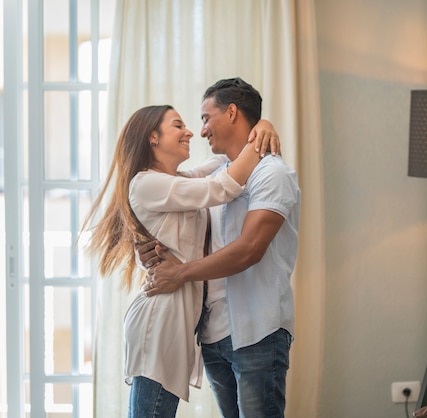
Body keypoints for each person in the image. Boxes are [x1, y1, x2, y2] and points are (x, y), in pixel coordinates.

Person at [81, 104, 280, 418]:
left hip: (174, 319)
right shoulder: (147, 183)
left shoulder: (173, 181)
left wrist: (262, 125)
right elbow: (220, 186)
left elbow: (219, 164)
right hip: (161, 320)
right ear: (153, 138)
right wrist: (260, 139)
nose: (189, 132)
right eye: (178, 125)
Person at [138, 77, 301, 418]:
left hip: (256, 332)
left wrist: (179, 273)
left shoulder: (272, 174)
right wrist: (150, 251)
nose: (200, 131)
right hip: (213, 336)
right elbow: (177, 211)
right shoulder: (218, 176)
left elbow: (249, 249)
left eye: (205, 118)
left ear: (231, 113)